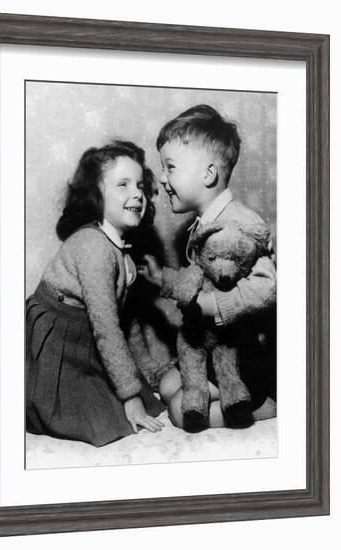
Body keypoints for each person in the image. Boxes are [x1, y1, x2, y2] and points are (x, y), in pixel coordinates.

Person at [140, 104, 277, 430]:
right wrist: (163, 279)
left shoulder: (241, 223)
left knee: (178, 410)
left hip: (241, 360)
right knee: (168, 385)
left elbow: (268, 285)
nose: (161, 178)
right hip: (209, 349)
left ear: (208, 174)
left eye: (169, 168)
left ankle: (261, 405)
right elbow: (198, 277)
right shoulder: (204, 223)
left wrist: (213, 305)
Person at [26, 140, 165, 447]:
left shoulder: (122, 252)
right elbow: (105, 328)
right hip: (56, 336)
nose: (137, 194)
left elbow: (124, 322)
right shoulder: (94, 247)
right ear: (95, 196)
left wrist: (146, 373)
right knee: (102, 420)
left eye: (140, 184)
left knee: (146, 399)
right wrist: (130, 396)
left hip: (88, 332)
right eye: (123, 185)